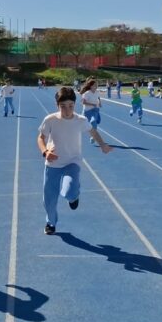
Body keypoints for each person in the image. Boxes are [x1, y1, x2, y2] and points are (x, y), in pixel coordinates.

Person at [37, 87, 112, 235]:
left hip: (72, 161)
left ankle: (74, 197)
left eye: (70, 106)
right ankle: (51, 223)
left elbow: (93, 131)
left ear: (75, 105)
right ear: (57, 105)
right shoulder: (50, 120)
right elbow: (41, 138)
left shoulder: (80, 120)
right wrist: (45, 152)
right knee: (49, 201)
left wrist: (103, 144)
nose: (67, 110)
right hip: (53, 163)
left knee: (69, 191)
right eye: (63, 106)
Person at [80, 79, 102, 143]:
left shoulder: (97, 92)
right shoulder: (87, 93)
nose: (96, 86)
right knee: (87, 125)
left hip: (95, 110)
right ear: (91, 86)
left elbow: (98, 98)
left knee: (93, 122)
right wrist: (92, 104)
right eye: (95, 85)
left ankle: (93, 137)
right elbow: (83, 102)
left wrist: (100, 103)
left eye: (97, 85)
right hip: (87, 111)